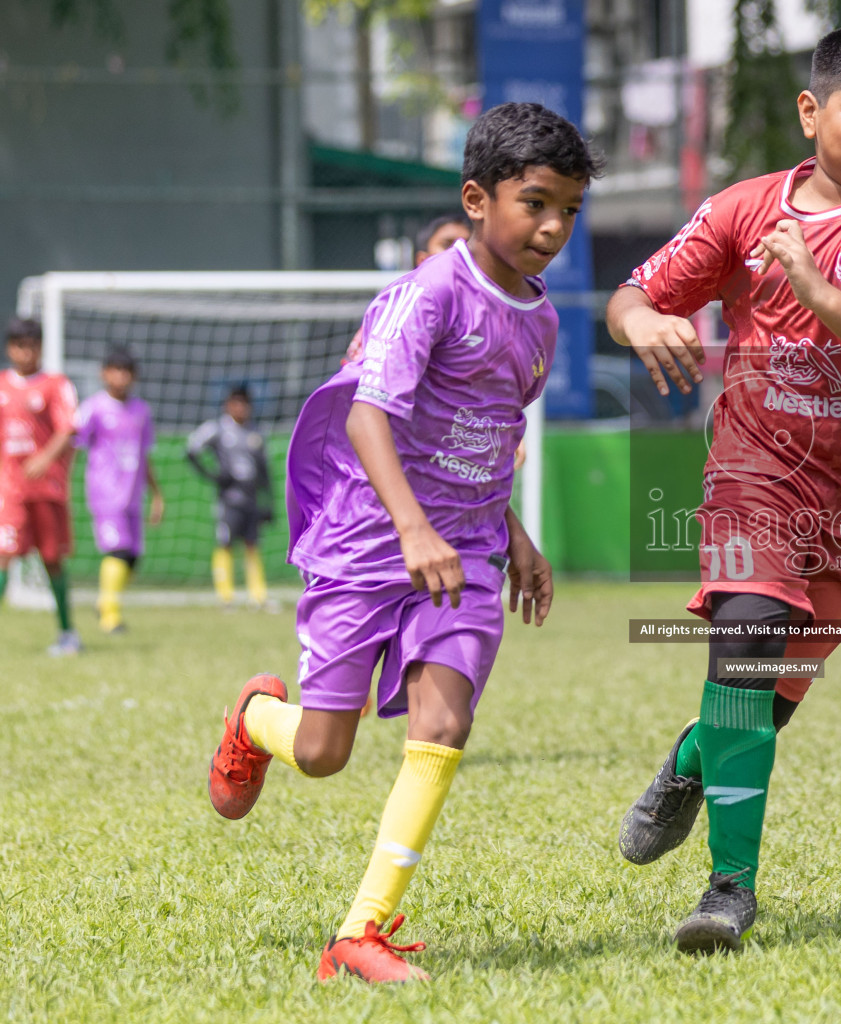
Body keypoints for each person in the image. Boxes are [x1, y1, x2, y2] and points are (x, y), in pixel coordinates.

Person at [205, 101, 596, 983]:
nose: (552, 227)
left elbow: (484, 437)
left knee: (444, 720)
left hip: (463, 556)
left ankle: (362, 932)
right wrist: (413, 526)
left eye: (568, 209)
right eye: (535, 202)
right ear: (476, 199)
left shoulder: (540, 320)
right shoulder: (428, 295)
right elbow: (369, 415)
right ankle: (254, 718)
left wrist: (516, 535)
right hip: (368, 546)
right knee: (322, 754)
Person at [607, 27, 841, 954]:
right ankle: (730, 891)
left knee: (760, 705)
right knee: (747, 645)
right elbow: (632, 296)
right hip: (753, 475)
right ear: (813, 113)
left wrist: (818, 290)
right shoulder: (743, 209)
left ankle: (693, 760)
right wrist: (645, 319)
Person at [0, 316, 82, 655]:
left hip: (46, 489)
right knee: (3, 555)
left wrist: (45, 459)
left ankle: (67, 633)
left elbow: (69, 429)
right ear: (9, 348)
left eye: (31, 345)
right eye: (19, 345)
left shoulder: (55, 384)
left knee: (52, 560)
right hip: (11, 490)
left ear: (40, 348)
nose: (25, 352)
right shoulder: (2, 385)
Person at [74, 347, 165, 633]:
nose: (121, 376)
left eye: (127, 371)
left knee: (133, 558)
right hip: (105, 493)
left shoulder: (141, 411)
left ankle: (104, 601)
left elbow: (144, 455)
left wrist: (157, 494)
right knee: (118, 551)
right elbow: (73, 445)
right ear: (104, 373)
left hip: (133, 495)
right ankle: (110, 616)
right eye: (115, 369)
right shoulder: (94, 408)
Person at [342, 212, 472, 367]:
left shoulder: (489, 311)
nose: (457, 252)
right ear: (422, 259)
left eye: (467, 245)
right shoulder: (394, 310)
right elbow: (357, 375)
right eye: (447, 244)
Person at [185, 385, 273, 609]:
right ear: (227, 405)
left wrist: (268, 501)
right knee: (225, 543)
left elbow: (265, 471)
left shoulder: (256, 433)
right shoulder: (217, 429)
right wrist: (212, 475)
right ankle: (226, 596)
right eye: (236, 402)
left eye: (245, 403)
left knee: (252, 544)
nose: (241, 408)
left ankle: (258, 596)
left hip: (251, 498)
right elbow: (191, 450)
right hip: (228, 498)